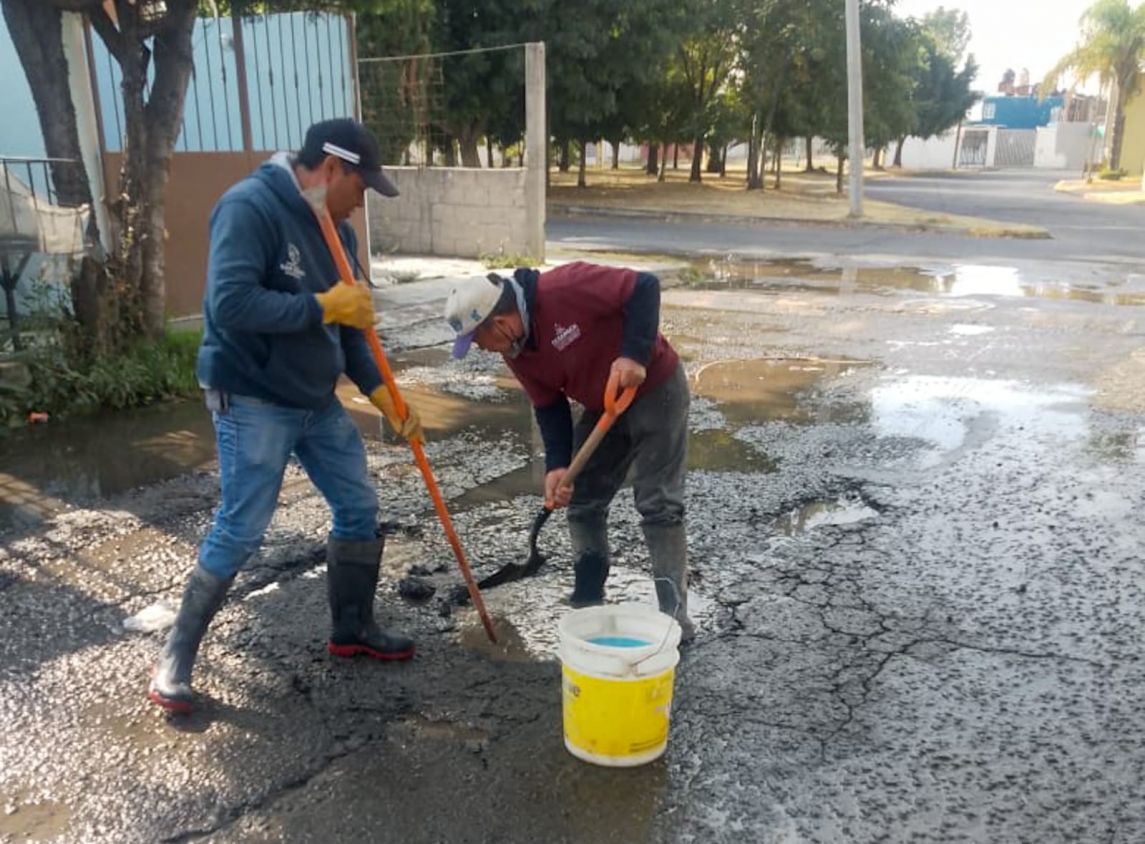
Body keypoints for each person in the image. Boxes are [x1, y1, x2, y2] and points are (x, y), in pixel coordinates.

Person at [149, 118, 424, 713]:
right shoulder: (249, 207)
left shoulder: (339, 235)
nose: (361, 203)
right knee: (243, 526)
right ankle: (175, 658)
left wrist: (384, 398)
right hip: (251, 395)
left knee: (358, 505)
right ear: (331, 170)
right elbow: (230, 303)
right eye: (360, 188)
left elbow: (353, 333)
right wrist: (323, 304)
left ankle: (352, 629)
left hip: (314, 400)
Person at [444, 262, 695, 641]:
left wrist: (635, 355)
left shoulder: (564, 287)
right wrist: (557, 466)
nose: (481, 349)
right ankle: (588, 600)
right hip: (604, 406)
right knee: (582, 499)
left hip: (656, 389)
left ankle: (675, 621)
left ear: (499, 322)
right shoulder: (516, 351)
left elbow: (644, 286)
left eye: (478, 340)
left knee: (659, 504)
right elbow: (548, 406)